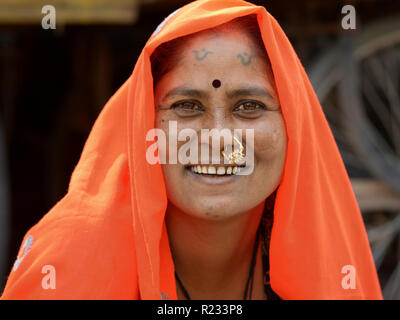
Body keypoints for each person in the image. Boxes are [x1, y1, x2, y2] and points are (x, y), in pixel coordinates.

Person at [1, 0, 382, 300]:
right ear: (142, 126)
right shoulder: (69, 269)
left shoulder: (328, 267)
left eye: (248, 106)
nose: (217, 138)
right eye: (187, 106)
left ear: (294, 126)